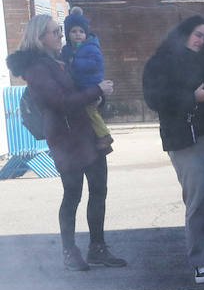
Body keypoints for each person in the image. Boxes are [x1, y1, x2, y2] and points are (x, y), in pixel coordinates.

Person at [8, 15, 124, 271]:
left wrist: (99, 96)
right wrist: (97, 91)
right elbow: (61, 102)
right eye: (55, 31)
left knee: (99, 191)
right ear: (40, 39)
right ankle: (69, 252)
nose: (61, 35)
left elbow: (80, 92)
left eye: (60, 30)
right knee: (73, 195)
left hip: (87, 133)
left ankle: (98, 248)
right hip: (65, 139)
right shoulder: (37, 69)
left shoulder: (62, 60)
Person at [140, 15, 204, 283]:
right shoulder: (162, 61)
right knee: (198, 201)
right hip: (186, 138)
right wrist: (192, 98)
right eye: (197, 34)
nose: (200, 40)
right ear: (183, 34)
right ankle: (201, 262)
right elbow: (154, 99)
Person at [59, 8, 113, 155]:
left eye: (81, 31)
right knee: (88, 111)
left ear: (86, 33)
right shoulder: (69, 49)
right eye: (74, 31)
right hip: (81, 85)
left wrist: (75, 61)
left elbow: (95, 63)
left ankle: (104, 135)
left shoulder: (91, 47)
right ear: (68, 34)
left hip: (91, 84)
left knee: (91, 111)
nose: (78, 34)